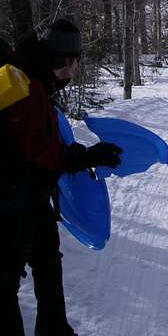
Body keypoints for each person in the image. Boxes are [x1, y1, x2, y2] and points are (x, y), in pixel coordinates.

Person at [0, 19, 122, 336]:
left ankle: (54, 330)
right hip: (11, 203)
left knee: (48, 265)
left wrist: (82, 154)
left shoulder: (37, 80)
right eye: (77, 60)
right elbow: (39, 150)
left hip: (32, 196)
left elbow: (48, 143)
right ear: (67, 60)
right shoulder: (27, 88)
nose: (76, 67)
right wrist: (86, 157)